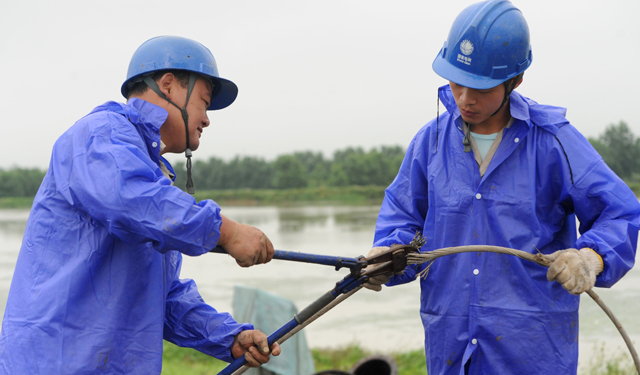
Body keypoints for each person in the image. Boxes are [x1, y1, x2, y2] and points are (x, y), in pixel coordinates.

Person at [365, 1, 640, 374]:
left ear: (515, 80)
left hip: (532, 349)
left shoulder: (553, 142)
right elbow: (402, 218)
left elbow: (619, 211)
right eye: (457, 82)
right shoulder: (429, 143)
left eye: (480, 87)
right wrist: (387, 256)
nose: (465, 99)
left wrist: (592, 257)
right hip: (449, 343)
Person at [0, 36, 281, 374]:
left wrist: (228, 338)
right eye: (204, 103)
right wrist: (226, 231)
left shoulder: (153, 176)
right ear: (168, 85)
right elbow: (131, 201)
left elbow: (162, 298)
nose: (207, 119)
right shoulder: (99, 134)